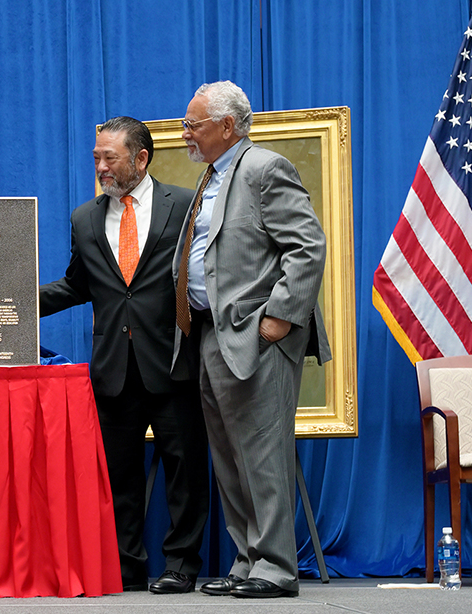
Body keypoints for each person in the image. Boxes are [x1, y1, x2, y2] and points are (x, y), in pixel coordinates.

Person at [171, 81, 330, 599]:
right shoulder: (212, 178)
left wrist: (278, 319)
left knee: (261, 455)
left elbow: (307, 246)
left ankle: (277, 568)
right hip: (211, 335)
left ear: (226, 126)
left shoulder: (264, 168)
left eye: (193, 124)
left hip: (255, 336)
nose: (185, 132)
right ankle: (247, 561)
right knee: (231, 456)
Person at [41, 116, 209, 594]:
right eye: (96, 157)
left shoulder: (185, 205)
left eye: (109, 157)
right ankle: (125, 568)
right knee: (118, 478)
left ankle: (181, 565)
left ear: (141, 158)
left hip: (174, 361)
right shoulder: (84, 218)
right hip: (114, 367)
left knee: (186, 471)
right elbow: (78, 285)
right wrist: (16, 301)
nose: (100, 167)